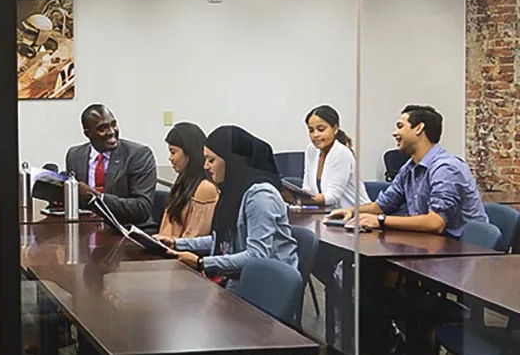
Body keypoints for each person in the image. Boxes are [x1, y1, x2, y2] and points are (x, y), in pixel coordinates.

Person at [157, 125, 299, 287]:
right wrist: (175, 243)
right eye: (205, 160)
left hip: (266, 286)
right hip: (238, 278)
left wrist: (202, 263)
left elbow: (257, 256)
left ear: (231, 161)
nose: (206, 166)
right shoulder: (233, 190)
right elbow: (222, 241)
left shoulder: (260, 196)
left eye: (212, 160)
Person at [329, 104, 487, 236]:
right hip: (429, 246)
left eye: (400, 126)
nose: (395, 133)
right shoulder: (410, 168)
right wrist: (351, 211)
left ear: (419, 128)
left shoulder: (446, 168)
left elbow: (435, 223)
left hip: (460, 253)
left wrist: (381, 221)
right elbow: (383, 206)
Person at [65, 104, 157, 230]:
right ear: (88, 133)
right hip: (86, 230)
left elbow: (142, 208)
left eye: (113, 125)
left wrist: (96, 197)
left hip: (128, 231)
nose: (112, 132)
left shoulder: (138, 155)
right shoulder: (75, 155)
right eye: (102, 128)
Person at [159, 122, 218, 238]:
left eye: (173, 152)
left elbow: (194, 238)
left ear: (189, 153)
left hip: (181, 253)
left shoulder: (205, 188)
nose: (170, 158)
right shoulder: (183, 181)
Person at [302, 105, 368, 208]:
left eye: (321, 129)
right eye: (311, 130)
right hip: (329, 215)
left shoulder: (341, 153)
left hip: (356, 217)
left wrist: (302, 198)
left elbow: (331, 197)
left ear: (335, 129)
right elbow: (307, 187)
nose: (315, 135)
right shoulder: (311, 150)